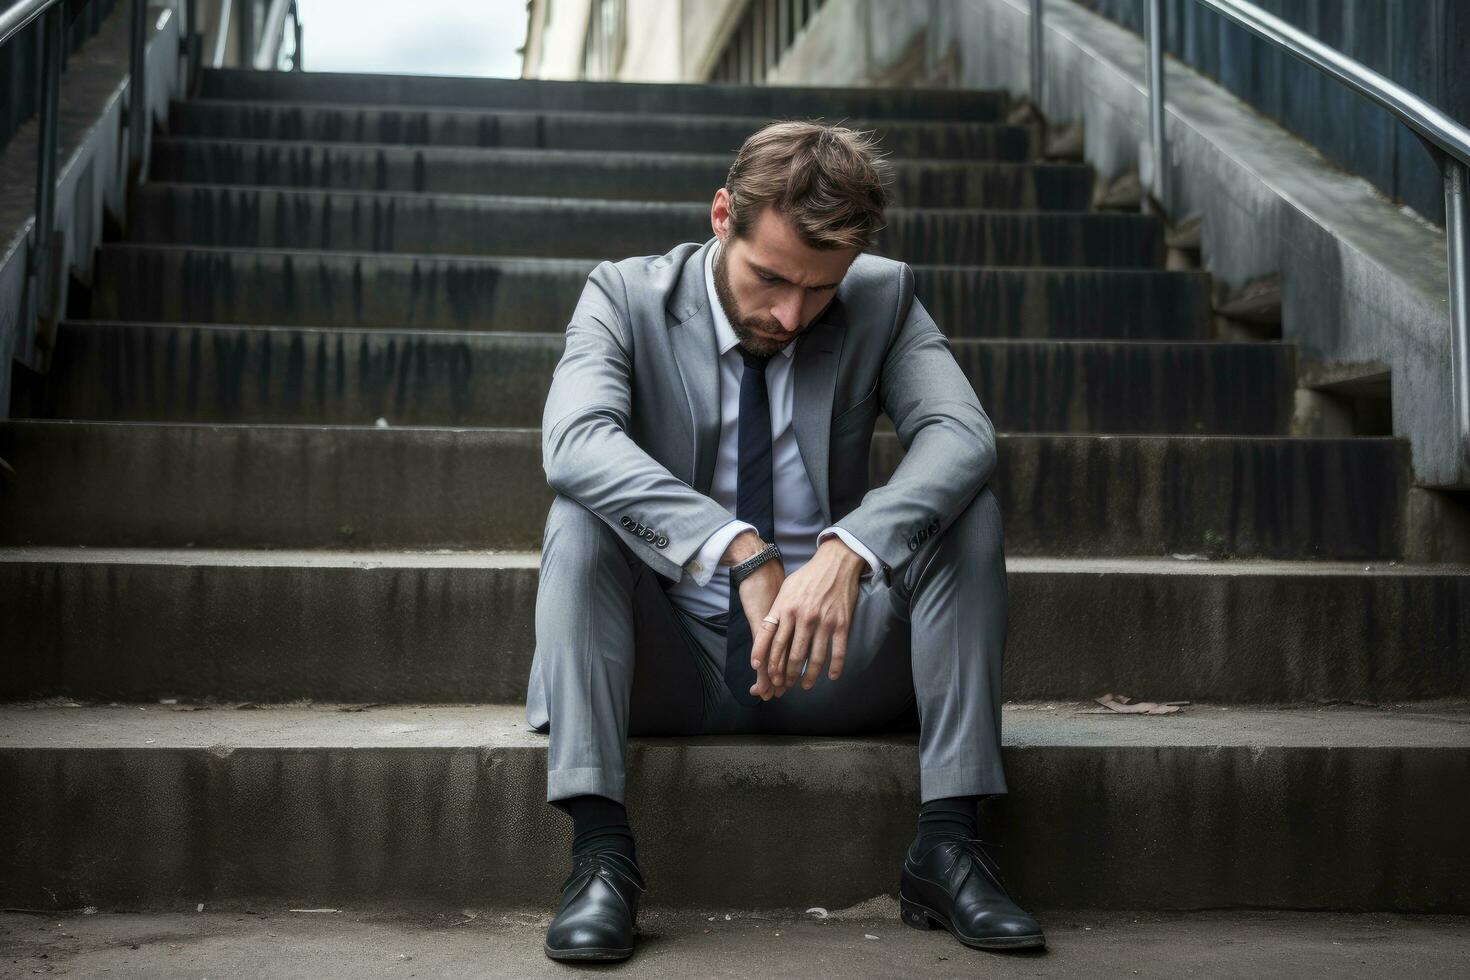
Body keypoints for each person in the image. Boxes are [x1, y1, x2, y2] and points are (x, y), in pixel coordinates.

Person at [524, 120, 1042, 961]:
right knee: (581, 516)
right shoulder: (623, 296)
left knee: (965, 511)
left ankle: (948, 845)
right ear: (722, 214)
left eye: (820, 291)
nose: (792, 314)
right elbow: (576, 442)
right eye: (771, 278)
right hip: (665, 660)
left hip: (830, 657)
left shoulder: (882, 295)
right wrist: (737, 547)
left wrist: (849, 548)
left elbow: (961, 435)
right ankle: (600, 858)